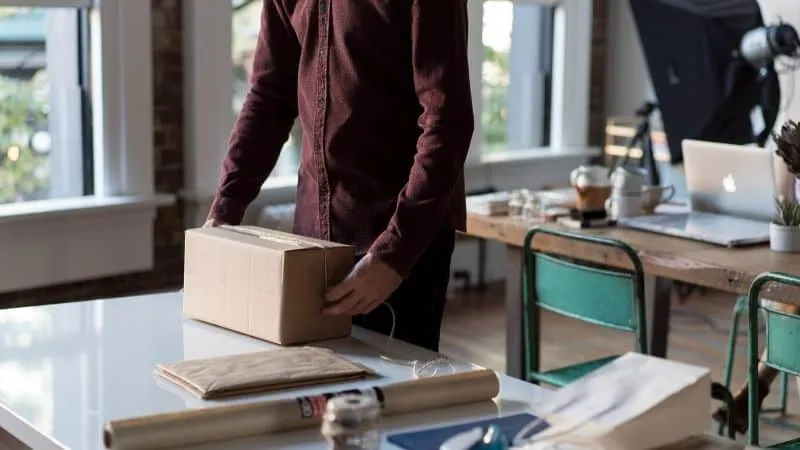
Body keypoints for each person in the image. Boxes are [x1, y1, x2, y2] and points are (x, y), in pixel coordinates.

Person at [204, 0, 474, 353]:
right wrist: (223, 213)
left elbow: (447, 122)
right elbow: (269, 97)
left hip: (398, 243)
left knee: (393, 402)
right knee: (315, 398)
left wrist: (394, 255)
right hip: (312, 243)